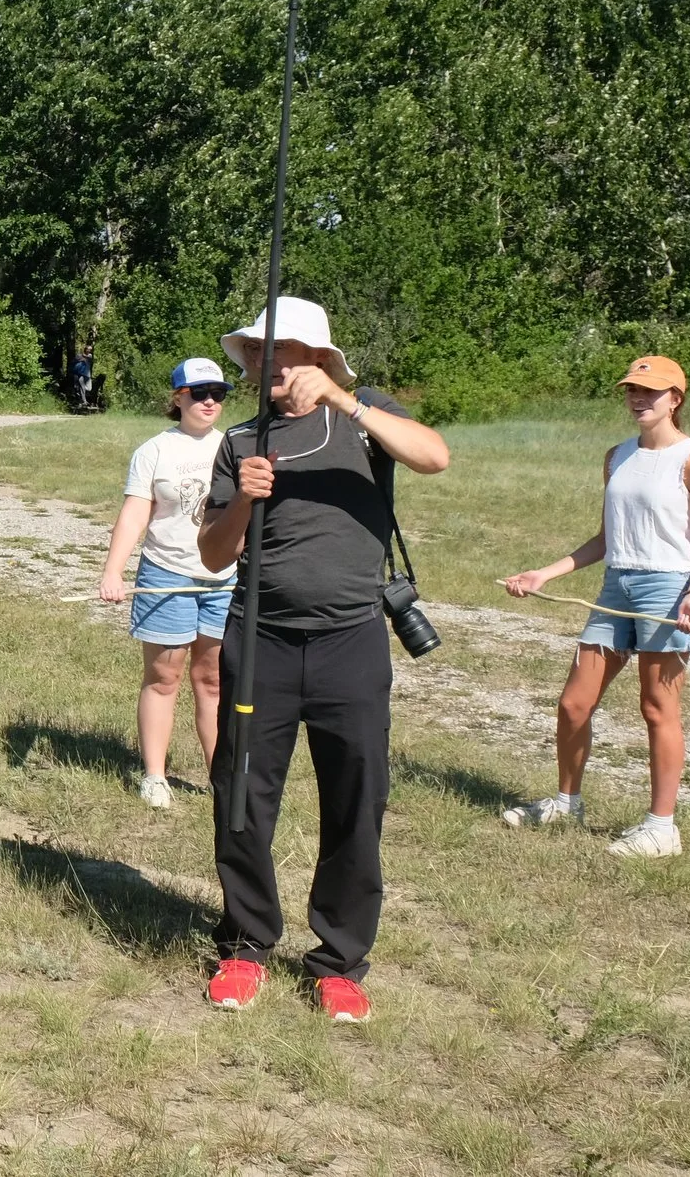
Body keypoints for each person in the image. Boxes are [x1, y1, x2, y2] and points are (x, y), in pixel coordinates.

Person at [194, 298, 449, 1025]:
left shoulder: (365, 417)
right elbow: (213, 552)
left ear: (321, 357)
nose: (272, 365)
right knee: (240, 794)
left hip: (351, 640)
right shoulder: (242, 439)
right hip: (260, 637)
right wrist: (242, 501)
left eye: (288, 351)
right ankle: (245, 944)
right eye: (261, 353)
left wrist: (344, 399)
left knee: (355, 800)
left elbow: (435, 456)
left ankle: (339, 960)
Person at [498, 355, 690, 858]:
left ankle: (662, 829)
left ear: (675, 399)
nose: (639, 399)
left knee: (656, 707)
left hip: (670, 588)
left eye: (651, 391)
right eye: (632, 390)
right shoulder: (616, 456)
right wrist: (545, 573)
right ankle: (565, 802)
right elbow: (606, 539)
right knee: (574, 704)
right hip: (617, 584)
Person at [98, 358, 237, 808]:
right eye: (199, 393)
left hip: (224, 578)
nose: (210, 400)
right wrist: (113, 570)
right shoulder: (154, 451)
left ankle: (222, 779)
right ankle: (155, 776)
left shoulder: (235, 446)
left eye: (218, 391)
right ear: (178, 398)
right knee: (164, 675)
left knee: (213, 679)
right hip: (166, 574)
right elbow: (136, 512)